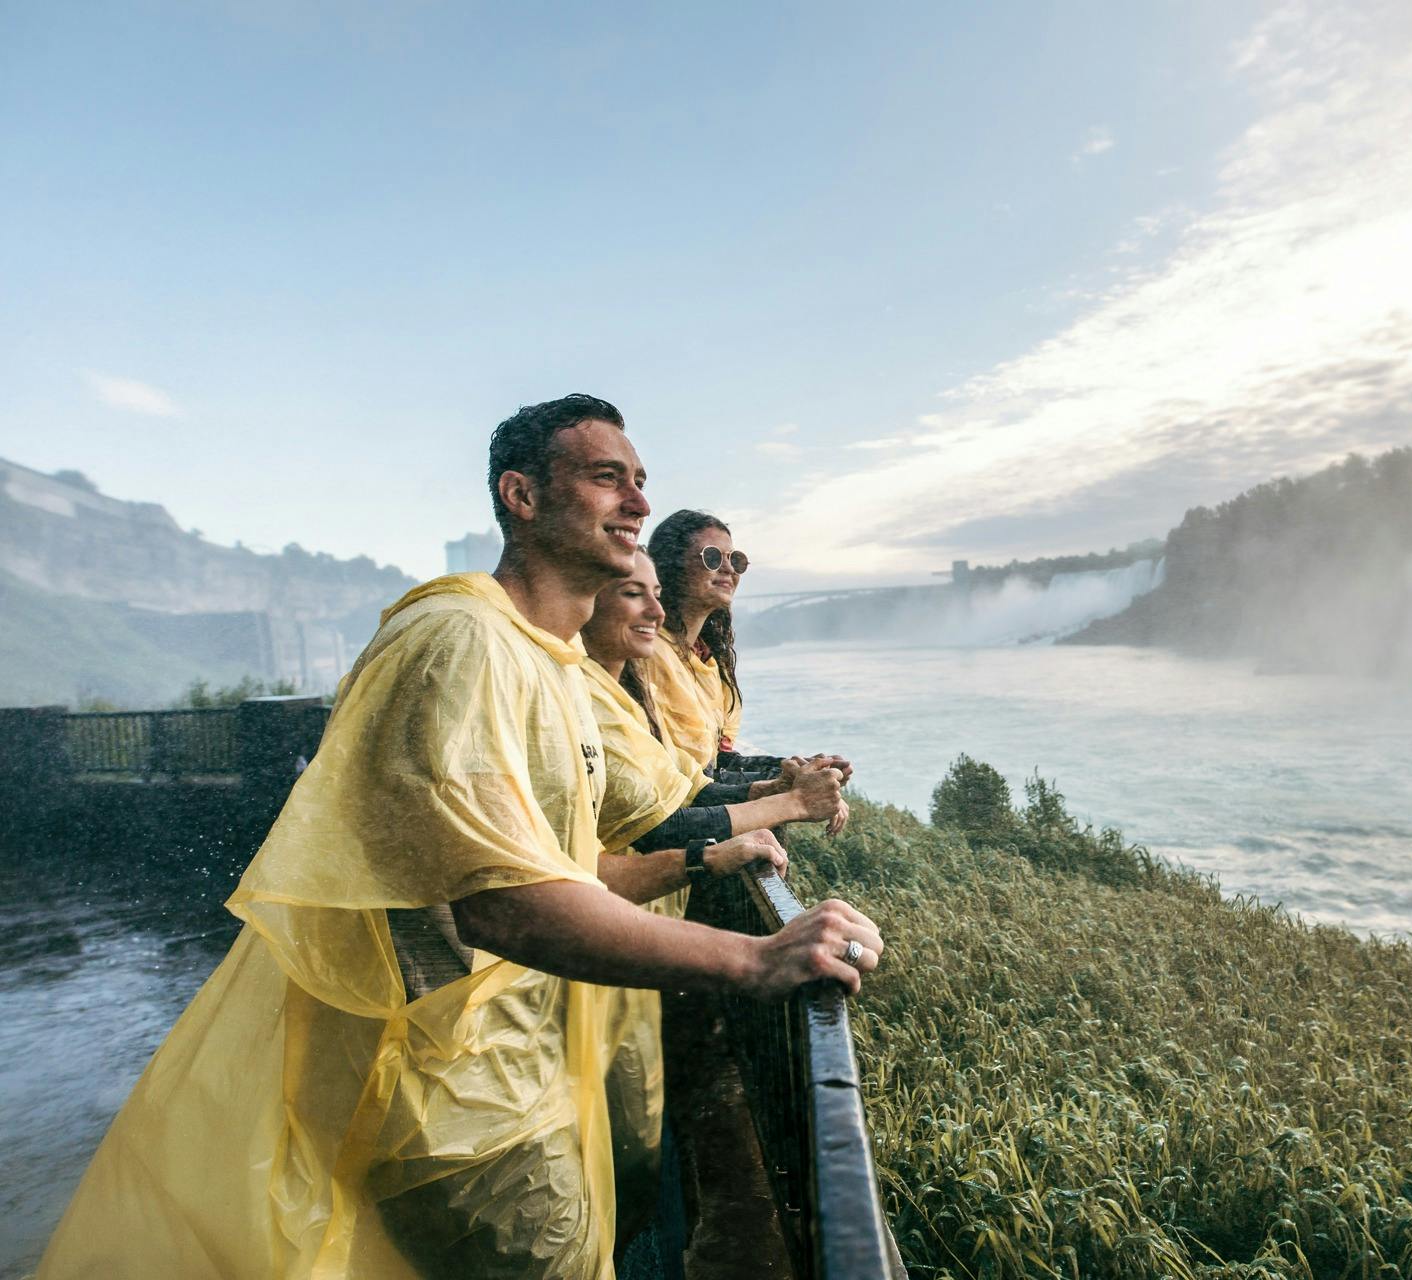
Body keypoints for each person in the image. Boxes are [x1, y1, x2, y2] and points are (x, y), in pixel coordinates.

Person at [34, 394, 883, 1280]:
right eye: (606, 478)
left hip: (522, 1067)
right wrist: (753, 959)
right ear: (520, 496)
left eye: (640, 483)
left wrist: (719, 847)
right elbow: (505, 907)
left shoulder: (545, 661)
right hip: (454, 1097)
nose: (637, 503)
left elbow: (573, 865)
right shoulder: (461, 642)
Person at [576, 549, 846, 1247]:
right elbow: (660, 822)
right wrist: (784, 802)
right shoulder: (587, 693)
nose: (656, 612)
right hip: (606, 947)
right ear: (584, 599)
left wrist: (771, 792)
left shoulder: (618, 690)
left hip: (632, 937)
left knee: (634, 1139)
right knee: (617, 1152)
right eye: (633, 593)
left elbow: (686, 787)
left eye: (740, 559)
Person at [645, 509, 853, 833]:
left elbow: (716, 768)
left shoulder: (708, 661)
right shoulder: (650, 656)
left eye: (736, 560)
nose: (728, 568)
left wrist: (799, 772)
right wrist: (788, 792)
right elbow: (678, 789)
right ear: (671, 566)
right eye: (712, 557)